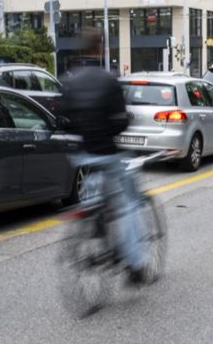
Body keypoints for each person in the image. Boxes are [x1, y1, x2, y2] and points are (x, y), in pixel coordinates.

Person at [59, 27, 149, 282]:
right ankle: (135, 265)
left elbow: (62, 120)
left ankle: (93, 217)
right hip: (107, 154)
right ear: (99, 48)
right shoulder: (109, 80)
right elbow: (121, 122)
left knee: (92, 194)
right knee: (129, 204)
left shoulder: (70, 80)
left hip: (82, 154)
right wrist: (111, 132)